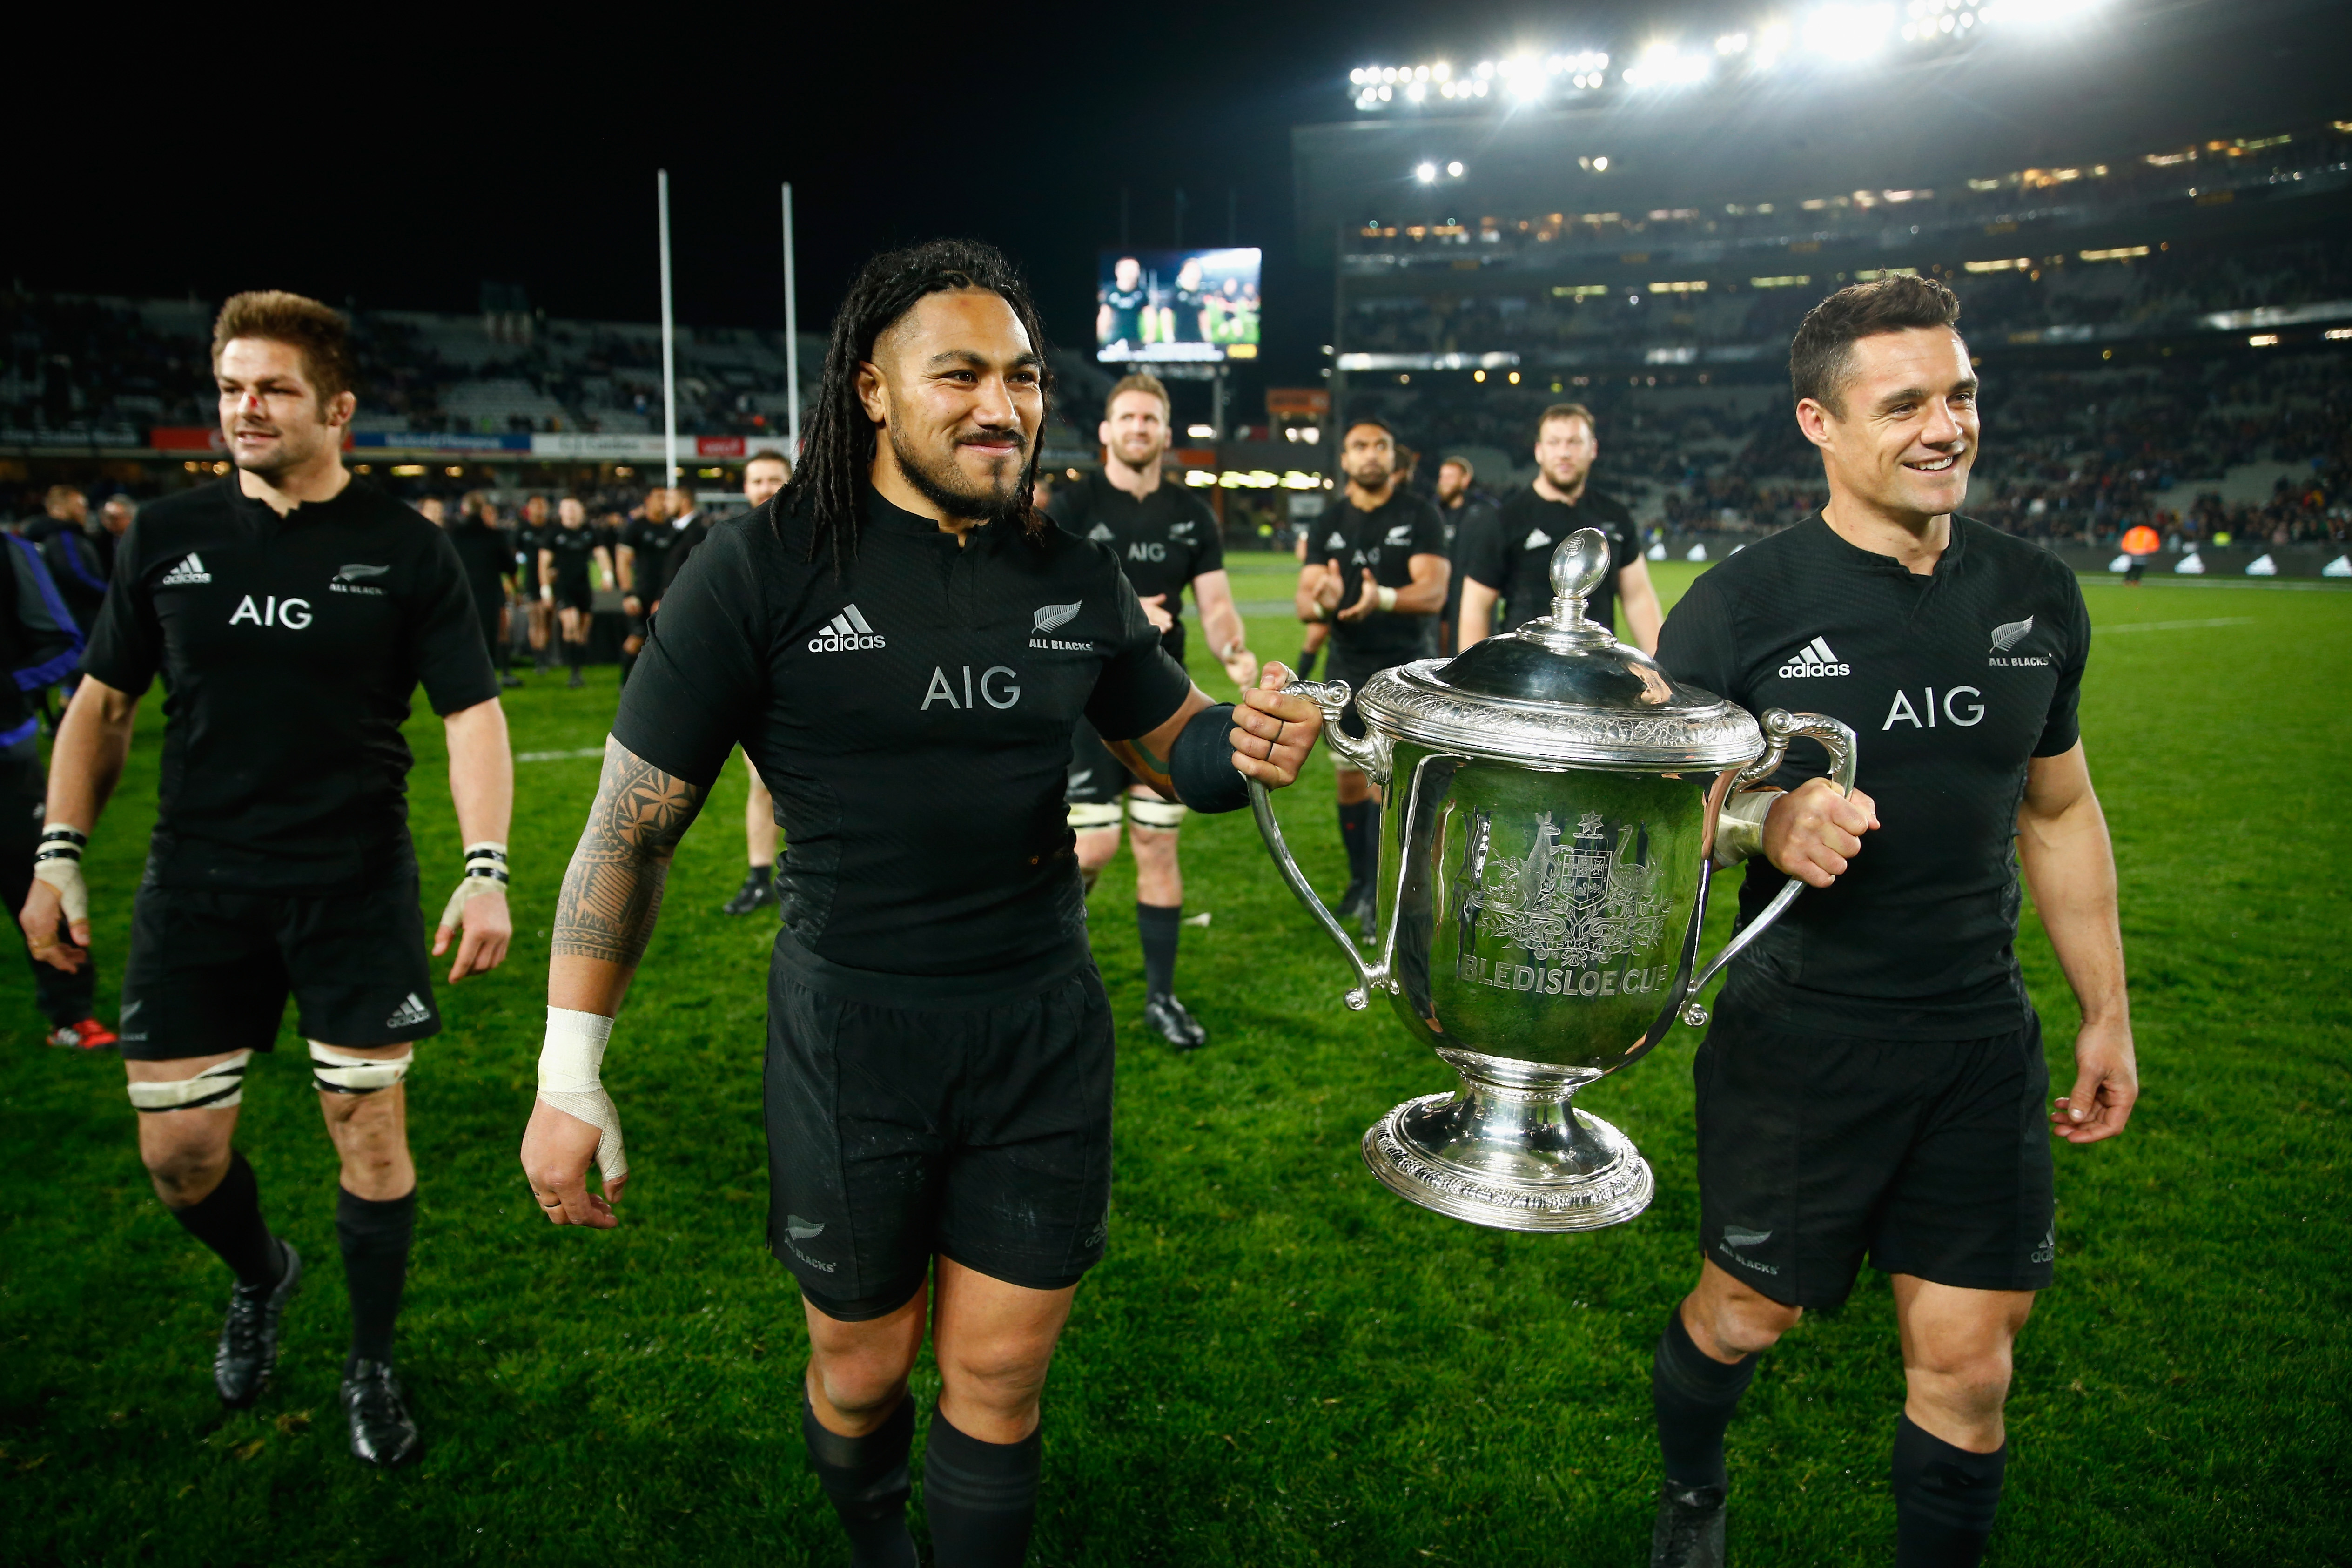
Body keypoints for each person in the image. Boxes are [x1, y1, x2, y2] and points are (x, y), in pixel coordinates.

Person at [518, 240, 1324, 1568]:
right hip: (852, 1034)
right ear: (870, 392)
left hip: (1037, 1024)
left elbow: (1166, 739)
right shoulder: (760, 569)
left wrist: (1240, 747)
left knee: (1000, 1377)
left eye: (1018, 376)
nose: (998, 406)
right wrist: (569, 1073)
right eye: (956, 373)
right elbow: (629, 830)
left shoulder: (1067, 568)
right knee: (860, 1368)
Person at [1643, 275, 2136, 1568]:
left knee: (1968, 1369)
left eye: (1960, 393)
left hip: (1976, 1041)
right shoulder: (1739, 606)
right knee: (1746, 1316)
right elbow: (1646, 814)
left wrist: (2105, 1013)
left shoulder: (2035, 594)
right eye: (1902, 401)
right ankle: (1691, 1485)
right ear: (1815, 423)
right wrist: (1763, 822)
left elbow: (2058, 812)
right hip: (1798, 1034)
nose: (1944, 425)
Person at [19, 291, 516, 1468]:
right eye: (232, 385)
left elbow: (473, 716)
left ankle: (373, 1358)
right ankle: (263, 1273)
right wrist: (57, 853)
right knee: (178, 1157)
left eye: (274, 387)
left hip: (351, 884)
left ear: (337, 408)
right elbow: (103, 706)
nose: (245, 407)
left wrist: (484, 868)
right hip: (198, 886)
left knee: (370, 1135)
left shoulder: (405, 547)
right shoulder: (164, 533)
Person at [1046, 372, 1258, 1050]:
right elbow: (1040, 601)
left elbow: (1216, 601)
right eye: (1127, 417)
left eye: (1151, 419)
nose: (1139, 428)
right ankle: (1042, 975)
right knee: (1094, 845)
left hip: (1161, 703)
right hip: (1084, 701)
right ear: (1106, 431)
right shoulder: (1072, 505)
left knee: (1157, 843)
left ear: (1166, 435)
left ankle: (1161, 999)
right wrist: (1127, 611)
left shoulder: (1191, 514)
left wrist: (1234, 651)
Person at [1292, 416, 1447, 941]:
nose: (1371, 454)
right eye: (1359, 446)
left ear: (1392, 456)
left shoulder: (1419, 515)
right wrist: (1325, 599)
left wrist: (1378, 597)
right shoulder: (1328, 521)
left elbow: (1432, 593)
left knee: (1390, 788)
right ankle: (1361, 883)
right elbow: (1306, 598)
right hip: (1346, 673)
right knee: (1350, 783)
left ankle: (1387, 894)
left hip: (1405, 676)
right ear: (1345, 459)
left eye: (1380, 445)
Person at [0, 524, 111, 1048]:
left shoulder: (9, 551)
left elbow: (65, 644)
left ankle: (71, 1015)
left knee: (38, 882)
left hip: (6, 757)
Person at [1457, 404, 1661, 653]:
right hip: (1523, 675)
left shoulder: (1616, 517)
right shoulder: (1505, 519)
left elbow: (1638, 598)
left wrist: (1660, 670)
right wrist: (1469, 681)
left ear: (1593, 449)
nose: (1564, 453)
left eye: (1574, 442)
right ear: (1539, 451)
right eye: (1554, 443)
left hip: (1598, 673)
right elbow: (1476, 607)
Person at [720, 452, 793, 915]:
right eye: (757, 479)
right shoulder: (726, 544)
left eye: (774, 479)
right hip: (754, 684)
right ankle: (760, 877)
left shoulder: (818, 539)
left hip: (814, 683)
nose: (765, 487)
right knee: (761, 784)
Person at [436, 492, 522, 689]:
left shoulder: (453, 535)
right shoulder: (494, 535)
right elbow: (511, 567)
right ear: (483, 510)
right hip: (490, 592)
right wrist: (516, 590)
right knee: (499, 633)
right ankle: (501, 674)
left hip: (460, 593)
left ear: (464, 510)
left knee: (464, 634)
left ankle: (464, 676)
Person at [538, 496, 614, 690]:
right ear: (561, 512)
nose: (571, 511)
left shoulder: (589, 532)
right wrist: (546, 590)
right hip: (564, 587)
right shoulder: (554, 533)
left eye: (575, 507)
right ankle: (573, 672)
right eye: (567, 508)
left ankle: (578, 669)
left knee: (582, 631)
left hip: (583, 586)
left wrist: (607, 575)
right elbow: (544, 562)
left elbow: (601, 554)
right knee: (570, 624)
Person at [613, 485, 679, 683]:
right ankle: (624, 681)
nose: (664, 501)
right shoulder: (636, 527)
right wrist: (628, 594)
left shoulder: (672, 528)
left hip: (667, 592)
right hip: (642, 593)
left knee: (666, 637)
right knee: (637, 637)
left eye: (666, 497)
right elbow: (623, 562)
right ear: (648, 501)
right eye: (659, 497)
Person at [1433, 455, 1493, 655]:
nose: (1444, 482)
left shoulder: (1480, 512)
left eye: (1450, 477)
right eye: (1442, 477)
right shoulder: (1434, 513)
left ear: (1465, 480)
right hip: (1439, 590)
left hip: (1465, 589)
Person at [515, 493, 556, 673]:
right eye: (536, 505)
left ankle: (545, 654)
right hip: (531, 580)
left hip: (551, 580)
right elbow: (513, 558)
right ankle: (540, 659)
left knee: (548, 619)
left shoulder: (553, 529)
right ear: (528, 509)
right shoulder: (522, 530)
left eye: (542, 505)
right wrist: (515, 584)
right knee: (536, 618)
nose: (540, 509)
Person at [1097, 255, 1148, 353]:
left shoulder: (1141, 293)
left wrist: (1149, 336)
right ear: (1118, 271)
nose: (1132, 273)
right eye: (1129, 269)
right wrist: (1100, 337)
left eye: (1135, 269)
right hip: (1113, 343)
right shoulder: (1110, 292)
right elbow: (1105, 316)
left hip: (1135, 342)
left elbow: (1149, 315)